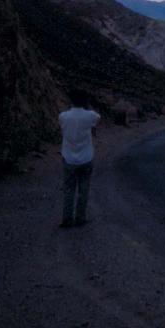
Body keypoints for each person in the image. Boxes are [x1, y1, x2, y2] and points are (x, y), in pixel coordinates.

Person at [58, 90, 101, 228]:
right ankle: (80, 218)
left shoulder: (63, 116)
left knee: (69, 190)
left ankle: (67, 219)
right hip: (86, 157)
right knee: (84, 190)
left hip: (69, 157)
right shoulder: (90, 115)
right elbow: (97, 118)